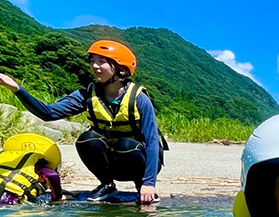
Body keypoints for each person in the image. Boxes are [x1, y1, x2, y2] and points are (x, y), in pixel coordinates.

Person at [0, 40, 165, 204]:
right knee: (87, 139)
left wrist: (149, 183)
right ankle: (107, 185)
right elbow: (48, 113)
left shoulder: (139, 99)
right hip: (112, 163)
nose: (95, 66)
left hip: (140, 161)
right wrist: (17, 89)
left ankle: (142, 188)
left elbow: (152, 141)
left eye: (101, 61)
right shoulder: (87, 95)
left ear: (121, 69)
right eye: (92, 61)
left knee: (126, 145)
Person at [0, 133, 62, 205]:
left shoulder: (4, 156)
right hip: (7, 202)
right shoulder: (41, 167)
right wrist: (57, 199)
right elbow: (52, 175)